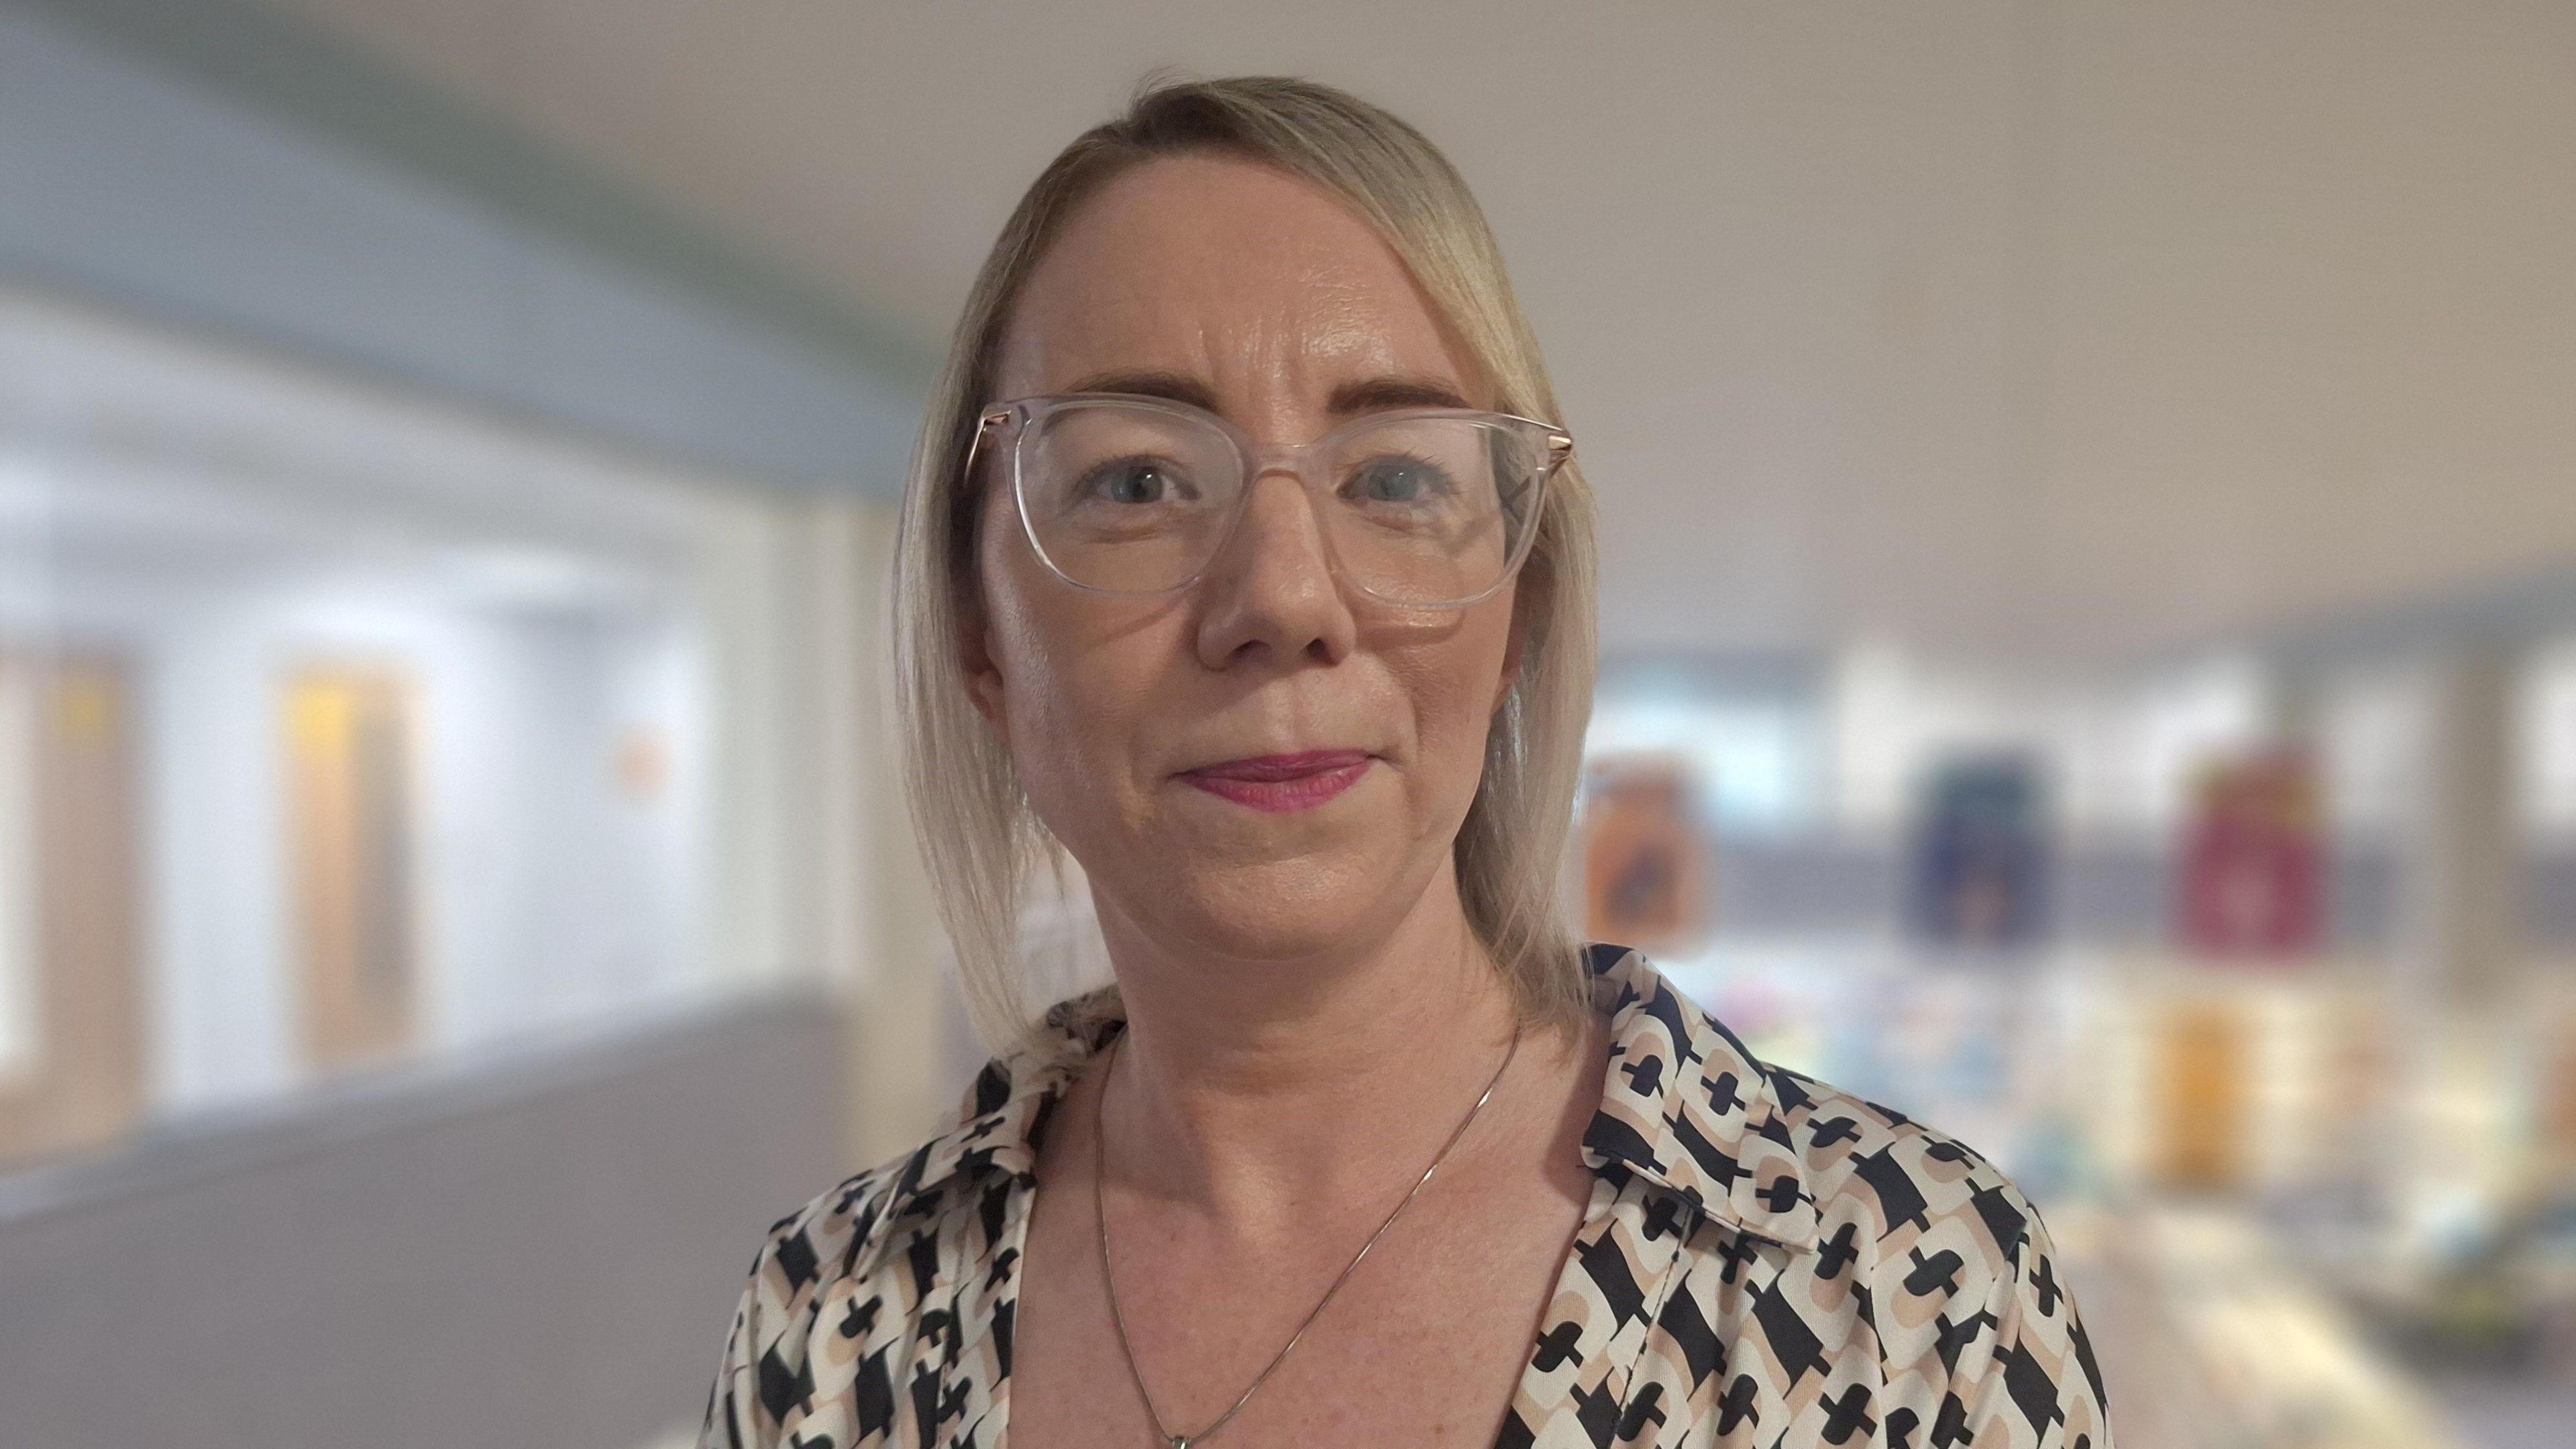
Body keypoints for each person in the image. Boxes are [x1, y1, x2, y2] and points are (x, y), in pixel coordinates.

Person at [696, 75, 2110, 1449]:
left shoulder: (1897, 1303)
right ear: (980, 639)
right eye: (1137, 481)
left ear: (1516, 618)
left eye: (1393, 479)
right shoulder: (832, 1328)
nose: (1285, 604)